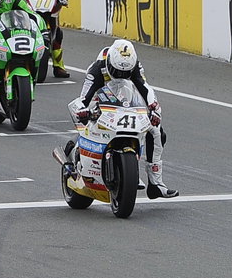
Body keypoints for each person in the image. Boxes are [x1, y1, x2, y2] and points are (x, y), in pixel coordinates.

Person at [73, 39, 178, 198]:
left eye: (125, 73)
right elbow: (84, 97)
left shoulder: (134, 66)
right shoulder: (96, 70)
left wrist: (153, 107)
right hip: (100, 102)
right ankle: (80, 159)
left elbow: (145, 88)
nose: (121, 75)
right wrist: (83, 110)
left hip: (126, 103)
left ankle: (155, 183)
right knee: (88, 122)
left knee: (157, 132)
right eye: (117, 71)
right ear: (109, 63)